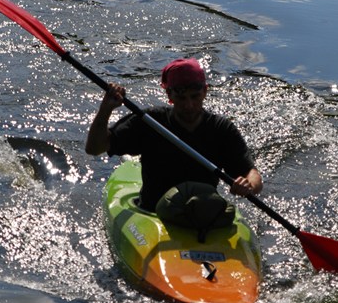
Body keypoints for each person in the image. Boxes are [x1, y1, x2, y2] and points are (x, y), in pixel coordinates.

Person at [86, 58, 263, 211]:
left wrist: (249, 185)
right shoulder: (150, 122)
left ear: (205, 92)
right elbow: (94, 148)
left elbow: (251, 173)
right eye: (182, 98)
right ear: (169, 95)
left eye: (195, 97)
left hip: (201, 213)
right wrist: (105, 109)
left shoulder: (221, 129)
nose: (189, 105)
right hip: (152, 212)